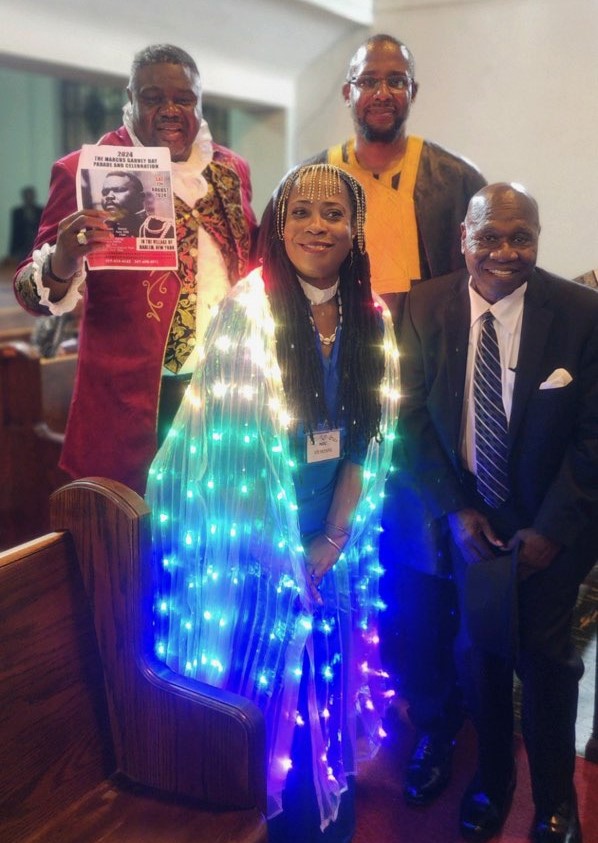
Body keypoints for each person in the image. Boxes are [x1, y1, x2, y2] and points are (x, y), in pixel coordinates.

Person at [146, 163, 400, 842]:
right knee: (264, 683)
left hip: (330, 536)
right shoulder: (247, 307)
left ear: (357, 230)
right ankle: (266, 811)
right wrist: (285, 555)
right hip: (254, 541)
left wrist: (333, 541)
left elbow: (367, 441)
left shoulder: (371, 316)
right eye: (302, 213)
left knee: (330, 669)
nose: (318, 226)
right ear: (279, 225)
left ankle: (327, 800)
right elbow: (227, 453)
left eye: (334, 214)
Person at [309, 32, 487, 806]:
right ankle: (334, 714)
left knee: (418, 563)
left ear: (411, 90)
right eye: (367, 80)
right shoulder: (315, 178)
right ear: (347, 92)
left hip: (421, 403)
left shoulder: (454, 178)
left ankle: (434, 720)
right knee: (335, 553)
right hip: (330, 397)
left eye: (396, 79)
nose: (382, 92)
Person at [398, 182, 598, 842]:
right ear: (464, 236)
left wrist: (550, 530)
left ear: (539, 240)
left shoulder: (580, 313)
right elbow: (409, 420)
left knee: (548, 666)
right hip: (468, 524)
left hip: (550, 527)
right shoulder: (426, 304)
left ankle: (554, 800)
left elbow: (594, 437)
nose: (504, 252)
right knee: (475, 659)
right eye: (489, 237)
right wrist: (454, 511)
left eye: (521, 238)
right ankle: (491, 780)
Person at [13, 44, 256, 496]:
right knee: (132, 550)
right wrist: (64, 260)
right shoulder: (83, 170)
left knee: (212, 541)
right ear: (130, 97)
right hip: (131, 407)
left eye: (184, 99)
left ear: (199, 101)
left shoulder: (230, 170)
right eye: (153, 98)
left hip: (224, 395)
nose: (170, 110)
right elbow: (29, 293)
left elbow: (251, 261)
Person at [8, 186, 43, 261]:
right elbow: (14, 232)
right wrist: (12, 252)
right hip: (22, 247)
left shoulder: (41, 211)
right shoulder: (17, 212)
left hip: (37, 245)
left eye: (30, 196)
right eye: (27, 196)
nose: (29, 198)